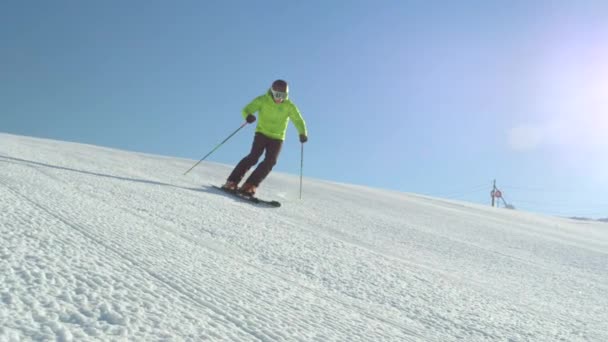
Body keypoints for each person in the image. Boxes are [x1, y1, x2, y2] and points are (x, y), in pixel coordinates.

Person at [222, 79, 308, 196]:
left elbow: (298, 120)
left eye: (283, 96)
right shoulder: (263, 100)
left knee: (270, 161)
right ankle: (231, 182)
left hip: (278, 138)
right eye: (277, 95)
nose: (280, 98)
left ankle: (249, 185)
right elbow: (247, 109)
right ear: (272, 92)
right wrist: (248, 116)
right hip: (262, 133)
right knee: (253, 157)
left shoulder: (289, 106)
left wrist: (302, 133)